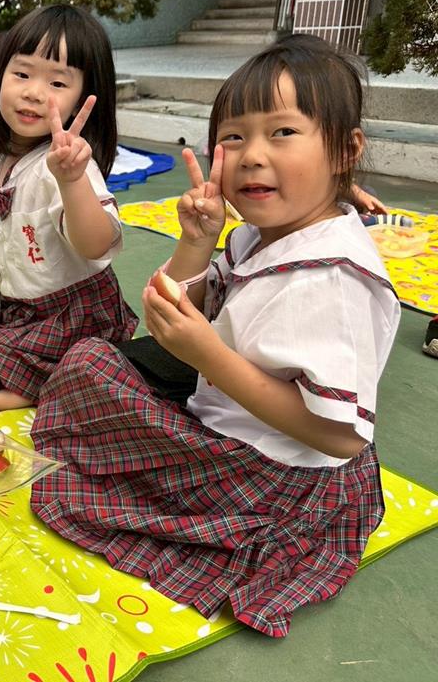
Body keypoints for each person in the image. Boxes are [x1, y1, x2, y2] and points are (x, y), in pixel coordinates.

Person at [30, 34, 401, 637]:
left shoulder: (332, 279)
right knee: (89, 363)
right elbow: (173, 307)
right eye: (234, 136)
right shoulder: (265, 233)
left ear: (345, 149)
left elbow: (339, 436)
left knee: (82, 410)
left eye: (283, 132)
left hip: (273, 476)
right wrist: (197, 242)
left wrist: (206, 353)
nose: (252, 155)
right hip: (232, 411)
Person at [0, 5, 137, 411]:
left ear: (84, 98)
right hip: (12, 299)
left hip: (67, 314)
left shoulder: (69, 166)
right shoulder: (1, 157)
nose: (34, 92)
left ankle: (73, 382)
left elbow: (96, 244)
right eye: (22, 74)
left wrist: (71, 182)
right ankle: (13, 358)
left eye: (57, 82)